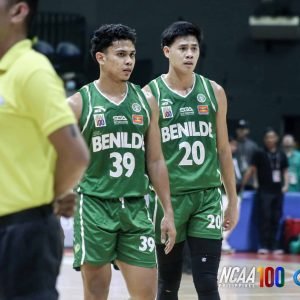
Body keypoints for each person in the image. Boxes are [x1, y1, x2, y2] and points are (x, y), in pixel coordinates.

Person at [68, 24, 176, 300]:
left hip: (136, 208)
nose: (128, 61)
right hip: (94, 205)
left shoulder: (146, 100)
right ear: (100, 58)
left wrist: (168, 211)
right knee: (96, 293)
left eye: (132, 54)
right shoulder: (79, 104)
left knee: (145, 295)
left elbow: (155, 161)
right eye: (120, 54)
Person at [0, 0, 90, 299]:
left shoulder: (31, 70)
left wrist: (46, 199)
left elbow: (76, 155)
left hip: (22, 232)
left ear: (18, 11)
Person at [143, 21, 239, 300]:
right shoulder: (151, 95)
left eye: (194, 48)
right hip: (169, 200)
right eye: (182, 48)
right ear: (166, 51)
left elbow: (223, 149)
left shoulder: (214, 92)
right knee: (168, 284)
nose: (189, 54)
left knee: (208, 283)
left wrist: (231, 200)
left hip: (207, 197)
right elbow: (151, 158)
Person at [242, 128, 289, 254]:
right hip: (264, 190)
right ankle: (263, 245)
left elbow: (285, 171)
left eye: (272, 137)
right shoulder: (259, 153)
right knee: (265, 217)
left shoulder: (281, 154)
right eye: (267, 137)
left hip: (278, 190)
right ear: (264, 139)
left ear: (276, 139)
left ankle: (274, 246)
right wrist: (246, 184)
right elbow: (252, 169)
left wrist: (286, 185)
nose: (270, 140)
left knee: (276, 217)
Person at [221, 136, 242, 253]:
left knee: (234, 218)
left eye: (235, 145)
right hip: (224, 193)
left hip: (237, 193)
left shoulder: (237, 158)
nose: (233, 147)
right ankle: (221, 241)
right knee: (224, 218)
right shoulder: (221, 156)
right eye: (231, 144)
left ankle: (223, 240)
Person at [235, 119, 258, 190]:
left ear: (248, 130)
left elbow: (256, 165)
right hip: (234, 180)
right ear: (236, 130)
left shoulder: (253, 146)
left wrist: (256, 181)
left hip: (249, 181)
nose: (241, 131)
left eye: (243, 128)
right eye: (239, 128)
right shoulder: (231, 145)